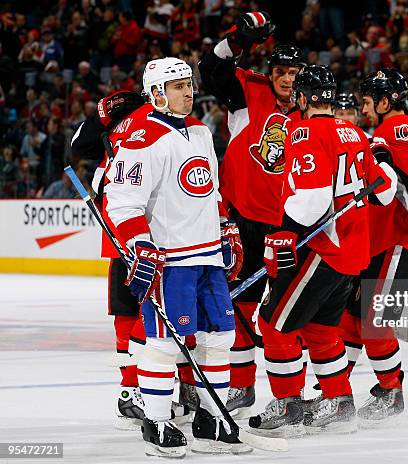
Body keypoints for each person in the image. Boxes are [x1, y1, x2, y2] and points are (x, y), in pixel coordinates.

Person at [103, 57, 247, 457]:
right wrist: (141, 246)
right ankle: (157, 421)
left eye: (189, 84)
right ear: (156, 93)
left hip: (208, 259)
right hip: (171, 262)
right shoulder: (140, 139)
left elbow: (211, 190)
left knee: (220, 338)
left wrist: (226, 226)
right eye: (179, 86)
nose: (189, 91)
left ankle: (210, 418)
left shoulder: (200, 132)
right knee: (165, 344)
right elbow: (121, 202)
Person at [247, 65, 397, 436]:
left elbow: (311, 202)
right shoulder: (355, 133)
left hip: (323, 250)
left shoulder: (304, 132)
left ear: (301, 97)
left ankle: (288, 402)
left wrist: (285, 229)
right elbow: (384, 192)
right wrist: (383, 162)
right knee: (319, 329)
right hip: (352, 254)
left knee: (272, 323)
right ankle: (338, 400)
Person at [199, 11, 306, 418]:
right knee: (237, 309)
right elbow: (212, 67)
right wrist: (237, 40)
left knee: (282, 314)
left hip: (289, 227)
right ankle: (241, 388)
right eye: (280, 70)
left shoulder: (314, 112)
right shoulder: (249, 92)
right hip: (243, 222)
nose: (286, 79)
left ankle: (291, 396)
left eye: (294, 72)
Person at [71, 91, 199, 430]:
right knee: (162, 313)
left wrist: (103, 116)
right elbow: (83, 149)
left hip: (139, 234)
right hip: (148, 236)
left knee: (147, 315)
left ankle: (137, 391)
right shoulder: (148, 123)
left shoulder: (160, 125)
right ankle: (145, 390)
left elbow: (81, 150)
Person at [334, 68, 408, 426]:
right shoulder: (383, 134)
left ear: (386, 102)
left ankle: (390, 391)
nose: (363, 109)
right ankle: (336, 392)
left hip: (398, 244)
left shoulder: (402, 129)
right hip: (381, 244)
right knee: (352, 320)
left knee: (374, 322)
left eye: (368, 102)